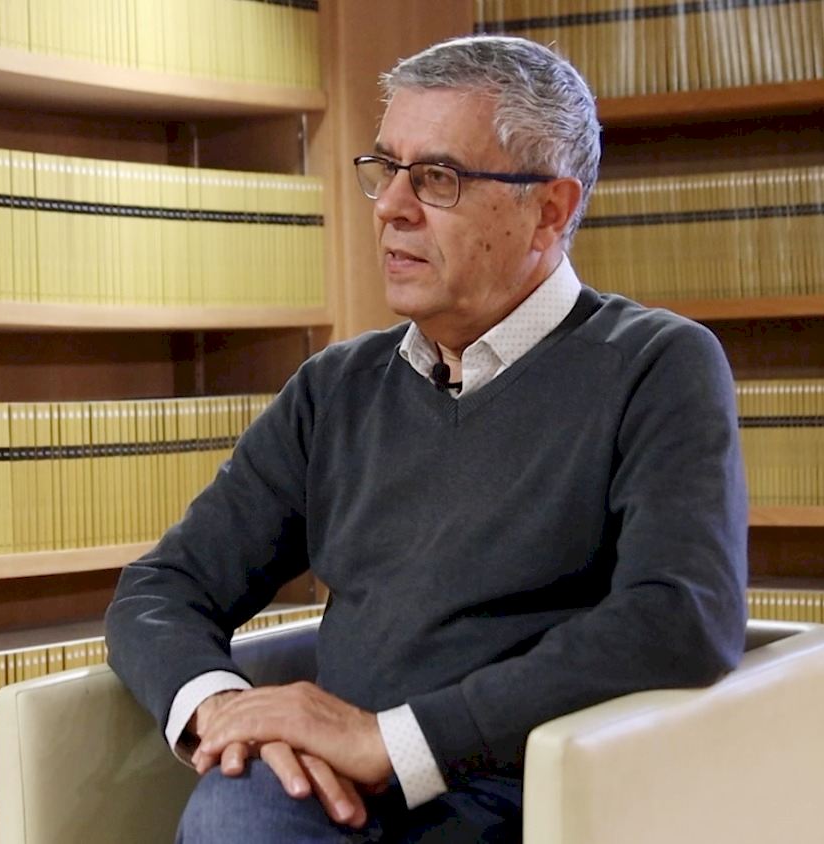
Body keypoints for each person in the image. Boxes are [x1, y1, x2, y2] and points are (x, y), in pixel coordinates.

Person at [105, 34, 748, 843]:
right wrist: (225, 711)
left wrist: (396, 743)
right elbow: (165, 586)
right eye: (386, 169)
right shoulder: (336, 387)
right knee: (242, 806)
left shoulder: (658, 364)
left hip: (526, 795)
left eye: (437, 178)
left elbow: (680, 615)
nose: (390, 207)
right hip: (330, 797)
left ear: (548, 211)